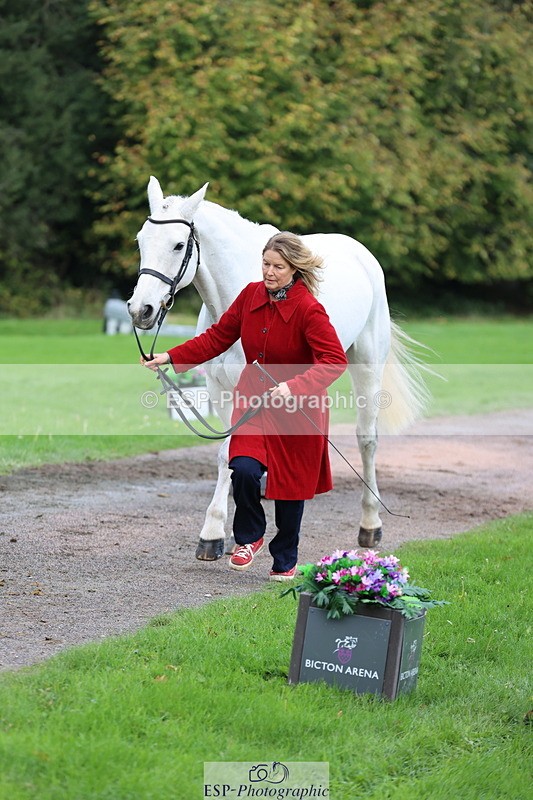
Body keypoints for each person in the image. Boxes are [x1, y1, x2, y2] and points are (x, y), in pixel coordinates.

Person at [142, 232, 347, 581]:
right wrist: (171, 357)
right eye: (266, 264)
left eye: (278, 267)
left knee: (290, 489)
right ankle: (249, 538)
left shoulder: (309, 309)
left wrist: (295, 386)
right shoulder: (250, 295)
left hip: (299, 408)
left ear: (294, 269)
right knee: (244, 468)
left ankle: (285, 558)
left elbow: (334, 360)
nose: (269, 272)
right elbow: (217, 336)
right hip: (254, 399)